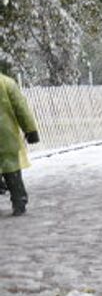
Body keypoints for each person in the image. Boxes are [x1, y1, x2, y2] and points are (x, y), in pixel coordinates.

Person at [0, 72, 39, 216]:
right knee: (11, 168)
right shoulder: (7, 83)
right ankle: (19, 201)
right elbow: (21, 108)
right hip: (5, 135)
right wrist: (30, 129)